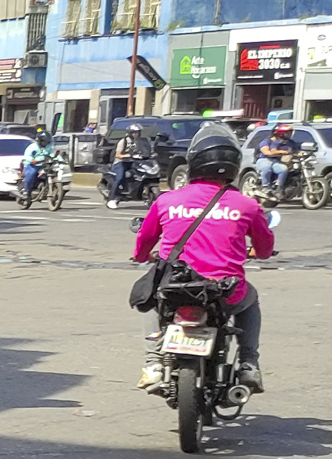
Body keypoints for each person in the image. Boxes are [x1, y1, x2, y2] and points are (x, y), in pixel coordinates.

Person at [131, 124, 273, 393]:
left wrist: (142, 256)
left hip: (174, 287)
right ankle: (248, 364)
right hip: (225, 291)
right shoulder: (247, 204)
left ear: (194, 162)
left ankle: (153, 365)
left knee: (149, 301)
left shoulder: (166, 200)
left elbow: (144, 242)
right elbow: (265, 249)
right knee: (251, 300)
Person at [103, 120, 157, 208]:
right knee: (120, 177)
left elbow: (143, 150)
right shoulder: (123, 141)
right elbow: (118, 154)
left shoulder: (139, 141)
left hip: (132, 162)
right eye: (134, 133)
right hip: (120, 162)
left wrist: (148, 154)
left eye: (137, 133)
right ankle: (111, 198)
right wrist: (128, 155)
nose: (136, 134)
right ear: (130, 133)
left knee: (140, 174)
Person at [254, 123, 300, 203]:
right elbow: (267, 152)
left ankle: (279, 188)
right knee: (267, 168)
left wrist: (300, 153)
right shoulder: (267, 141)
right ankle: (265, 187)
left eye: (289, 132)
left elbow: (296, 150)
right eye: (286, 133)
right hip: (265, 159)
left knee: (284, 169)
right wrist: (282, 152)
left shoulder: (290, 142)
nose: (288, 134)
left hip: (276, 161)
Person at [19, 129, 53, 201]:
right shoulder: (32, 147)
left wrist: (60, 160)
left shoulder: (48, 148)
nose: (46, 143)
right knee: (31, 173)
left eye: (47, 142)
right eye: (44, 141)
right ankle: (26, 190)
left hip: (43, 165)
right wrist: (32, 160)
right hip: (32, 165)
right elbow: (27, 156)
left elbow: (53, 154)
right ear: (39, 141)